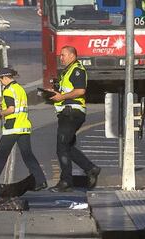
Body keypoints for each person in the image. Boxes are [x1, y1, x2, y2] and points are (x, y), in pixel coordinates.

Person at [0, 67, 47, 191]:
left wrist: (1, 113)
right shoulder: (19, 89)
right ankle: (41, 180)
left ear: (5, 78)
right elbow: (17, 106)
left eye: (1, 80)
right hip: (24, 127)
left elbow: (11, 109)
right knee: (28, 156)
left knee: (1, 155)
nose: (1, 82)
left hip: (12, 128)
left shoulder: (8, 91)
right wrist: (4, 106)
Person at [47, 46, 100, 192]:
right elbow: (67, 90)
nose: (61, 58)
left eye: (63, 55)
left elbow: (80, 90)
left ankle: (66, 181)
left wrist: (61, 97)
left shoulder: (77, 70)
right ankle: (91, 168)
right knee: (67, 146)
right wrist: (54, 93)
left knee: (61, 146)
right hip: (66, 113)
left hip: (72, 113)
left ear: (72, 55)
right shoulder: (67, 71)